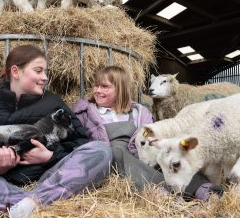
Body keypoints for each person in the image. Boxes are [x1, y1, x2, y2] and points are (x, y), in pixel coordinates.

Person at [0, 45, 112, 218]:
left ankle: (30, 203)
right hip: (1, 184)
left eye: (46, 72)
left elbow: (81, 144)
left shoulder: (54, 102)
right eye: (38, 71)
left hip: (48, 178)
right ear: (16, 71)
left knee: (101, 150)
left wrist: (50, 156)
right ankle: (31, 205)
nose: (45, 77)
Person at [73, 65, 225, 201]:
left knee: (165, 153)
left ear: (120, 89)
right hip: (111, 161)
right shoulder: (85, 112)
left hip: (139, 154)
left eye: (105, 87)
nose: (98, 91)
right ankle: (164, 190)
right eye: (96, 86)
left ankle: (203, 186)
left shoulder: (138, 112)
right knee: (116, 151)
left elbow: (149, 138)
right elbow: (79, 143)